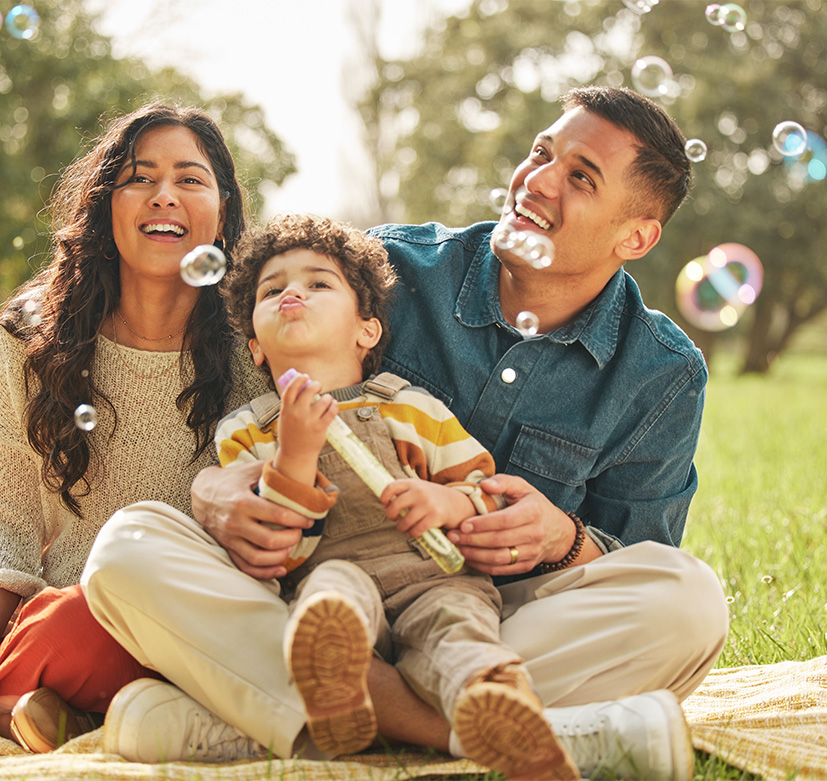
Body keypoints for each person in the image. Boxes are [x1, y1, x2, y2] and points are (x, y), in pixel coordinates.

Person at [82, 86, 729, 779]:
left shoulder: (661, 372)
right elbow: (256, 395)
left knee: (689, 599)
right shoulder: (388, 269)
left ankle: (264, 720)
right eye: (543, 153)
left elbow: (635, 551)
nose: (536, 181)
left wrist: (562, 539)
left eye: (580, 176)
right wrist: (215, 492)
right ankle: (488, 733)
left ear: (634, 235)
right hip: (317, 596)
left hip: (492, 617)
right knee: (126, 549)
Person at [0, 102, 270, 747]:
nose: (164, 194)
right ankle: (15, 699)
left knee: (79, 619)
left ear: (223, 212)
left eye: (190, 179)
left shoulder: (259, 347)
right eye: (140, 177)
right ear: (106, 203)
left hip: (153, 631)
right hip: (34, 622)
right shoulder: (35, 337)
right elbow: (6, 521)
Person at [208, 213, 576, 778]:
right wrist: (295, 456)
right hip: (330, 575)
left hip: (434, 575)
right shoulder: (247, 431)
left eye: (318, 283)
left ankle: (498, 704)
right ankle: (335, 680)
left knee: (457, 628)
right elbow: (277, 550)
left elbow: (485, 488)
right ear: (255, 346)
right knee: (329, 600)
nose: (292, 295)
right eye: (273, 289)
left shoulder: (410, 406)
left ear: (367, 329)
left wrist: (448, 503)